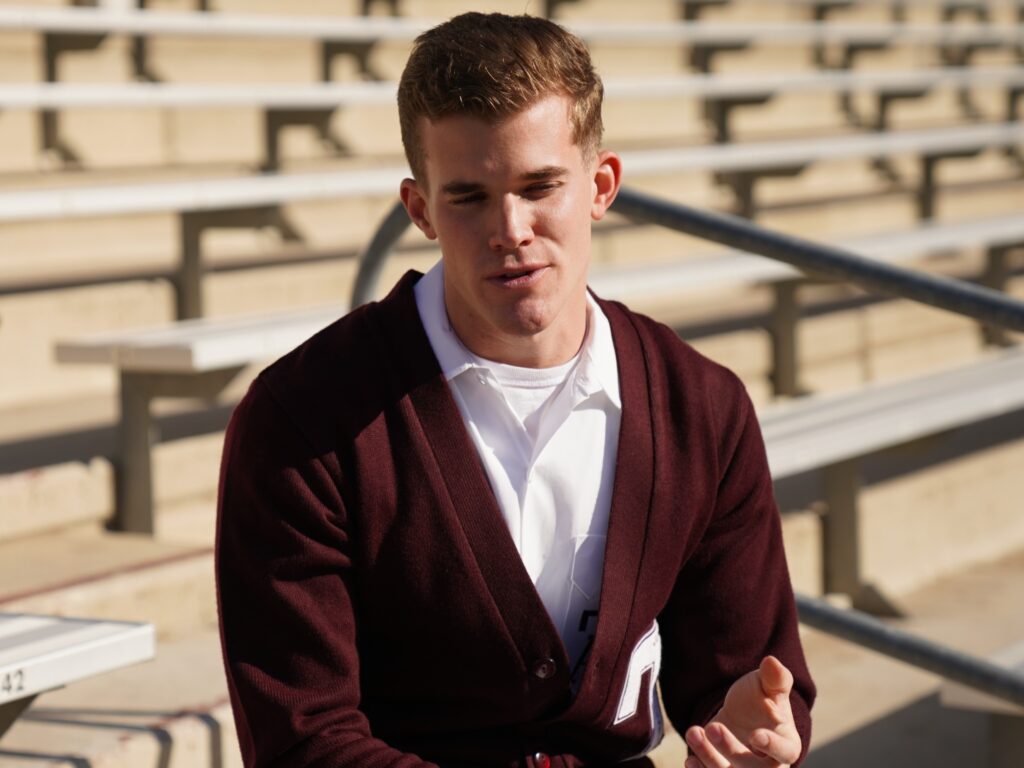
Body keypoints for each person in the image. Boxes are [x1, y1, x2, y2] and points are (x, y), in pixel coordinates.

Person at [216, 11, 815, 768]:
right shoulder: (302, 422)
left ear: (601, 186)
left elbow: (750, 679)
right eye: (469, 197)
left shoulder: (704, 408)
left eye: (540, 186)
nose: (511, 228)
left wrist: (755, 732)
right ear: (421, 210)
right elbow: (303, 743)